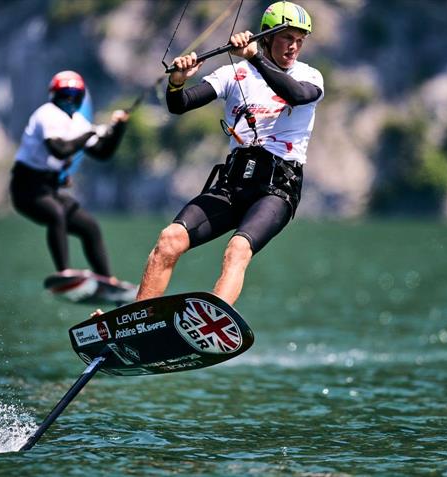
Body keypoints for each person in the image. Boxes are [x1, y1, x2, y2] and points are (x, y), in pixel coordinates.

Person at [135, 1, 324, 305]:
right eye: (287, 37)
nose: (294, 46)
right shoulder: (232, 74)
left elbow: (296, 96)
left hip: (276, 190)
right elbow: (179, 104)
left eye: (300, 40)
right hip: (232, 185)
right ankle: (138, 321)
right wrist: (177, 81)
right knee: (169, 240)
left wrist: (253, 57)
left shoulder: (308, 76)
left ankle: (211, 322)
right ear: (266, 37)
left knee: (237, 249)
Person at [10, 70, 129, 282]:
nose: (69, 100)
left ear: (81, 98)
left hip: (48, 189)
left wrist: (119, 129)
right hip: (25, 189)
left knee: (89, 226)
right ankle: (64, 273)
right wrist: (91, 134)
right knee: (56, 214)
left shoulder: (79, 123)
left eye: (75, 96)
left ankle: (107, 281)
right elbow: (59, 149)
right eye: (64, 95)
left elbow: (103, 153)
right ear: (53, 96)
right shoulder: (47, 114)